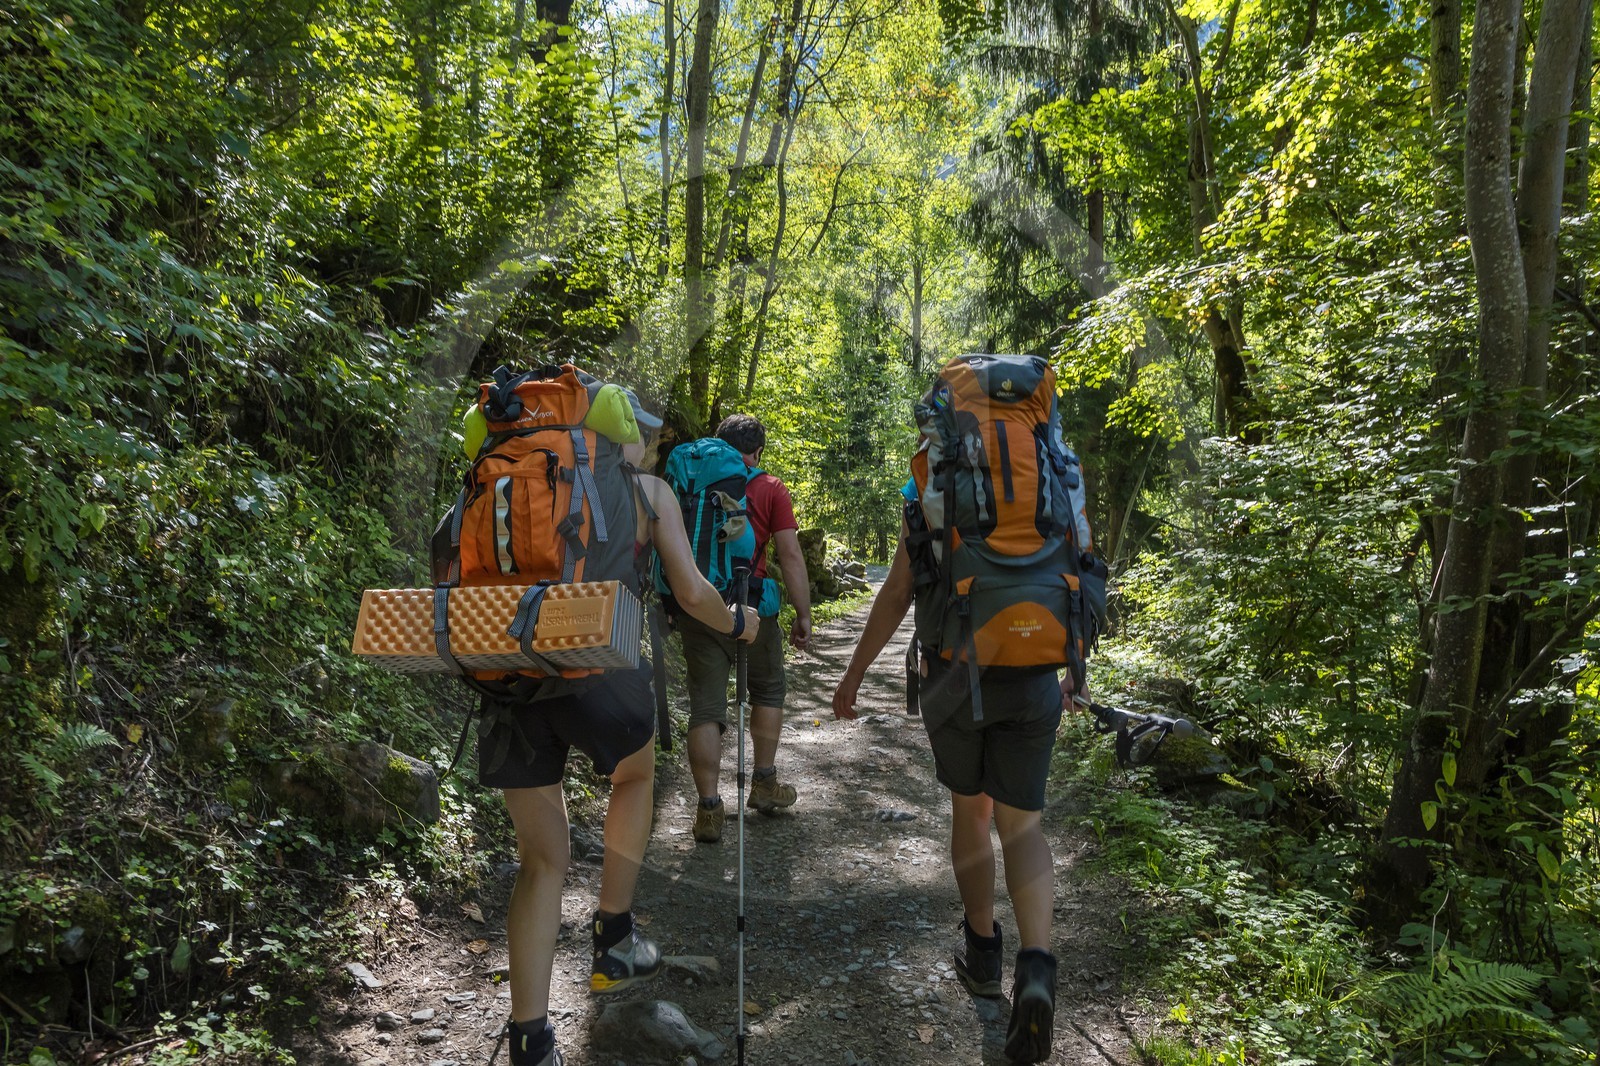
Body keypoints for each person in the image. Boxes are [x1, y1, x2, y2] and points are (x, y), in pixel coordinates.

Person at [487, 396, 760, 1066]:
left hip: (506, 673)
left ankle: (530, 1038)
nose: (654, 448)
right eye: (649, 437)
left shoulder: (501, 481)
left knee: (540, 863)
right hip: (600, 669)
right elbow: (692, 592)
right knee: (634, 774)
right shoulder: (647, 490)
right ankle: (613, 935)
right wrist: (738, 625)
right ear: (625, 437)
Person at [830, 495, 1084, 1065]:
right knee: (1023, 828)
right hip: (1035, 673)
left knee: (971, 812)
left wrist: (855, 673)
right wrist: (1074, 664)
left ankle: (985, 957)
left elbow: (898, 591)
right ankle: (1037, 966)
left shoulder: (929, 486)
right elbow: (1078, 568)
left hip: (956, 678)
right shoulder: (1047, 474)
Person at [675, 414, 813, 844]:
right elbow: (789, 555)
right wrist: (803, 614)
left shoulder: (690, 482)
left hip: (699, 606)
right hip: (752, 608)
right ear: (755, 453)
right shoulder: (769, 487)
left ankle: (709, 810)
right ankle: (764, 783)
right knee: (768, 688)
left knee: (706, 708)